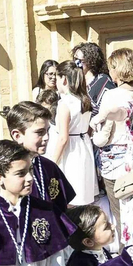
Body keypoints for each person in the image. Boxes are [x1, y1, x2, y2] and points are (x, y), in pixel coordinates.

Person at [91, 48, 133, 224]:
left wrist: (93, 135)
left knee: (121, 214)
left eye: (111, 67)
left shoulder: (111, 95)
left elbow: (103, 137)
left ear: (117, 69)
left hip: (115, 163)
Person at [0, 100, 76, 212]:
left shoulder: (49, 167)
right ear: (18, 136)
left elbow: (62, 207)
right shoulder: (2, 170)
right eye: (40, 132)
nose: (46, 137)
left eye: (47, 131)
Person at [47, 63, 98, 202]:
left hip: (70, 151)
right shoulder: (84, 100)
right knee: (83, 192)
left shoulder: (65, 103)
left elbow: (63, 138)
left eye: (57, 78)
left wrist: (52, 163)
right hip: (83, 146)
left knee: (70, 193)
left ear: (64, 79)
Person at [73, 41, 111, 106]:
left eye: (79, 60)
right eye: (74, 59)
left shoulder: (103, 81)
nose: (76, 62)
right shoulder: (75, 79)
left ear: (90, 61)